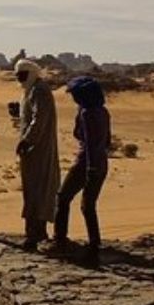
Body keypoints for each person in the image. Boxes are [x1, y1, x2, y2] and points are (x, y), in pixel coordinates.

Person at [52, 76, 111, 263]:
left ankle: (60, 241)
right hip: (101, 162)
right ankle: (94, 244)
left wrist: (90, 167)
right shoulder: (103, 111)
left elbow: (86, 139)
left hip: (86, 162)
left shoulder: (86, 113)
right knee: (88, 206)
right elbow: (106, 141)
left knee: (63, 198)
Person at [14, 59, 60, 250]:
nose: (19, 80)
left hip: (38, 150)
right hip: (32, 151)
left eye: (22, 75)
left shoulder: (39, 90)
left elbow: (39, 118)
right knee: (31, 189)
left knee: (38, 189)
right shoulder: (31, 90)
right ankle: (33, 232)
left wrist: (27, 140)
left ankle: (36, 233)